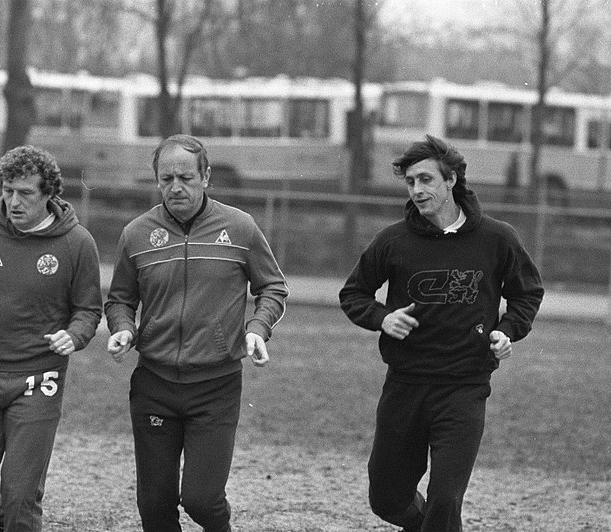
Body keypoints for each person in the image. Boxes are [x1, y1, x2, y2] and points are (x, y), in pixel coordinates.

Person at [339, 134, 544, 532]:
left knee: (445, 499)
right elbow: (354, 293)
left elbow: (527, 294)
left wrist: (507, 331)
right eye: (411, 181)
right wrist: (382, 317)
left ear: (451, 180)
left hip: (464, 386)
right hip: (405, 384)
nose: (417, 190)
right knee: (386, 498)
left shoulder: (497, 239)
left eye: (426, 180)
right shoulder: (394, 240)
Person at [104, 134, 288, 532]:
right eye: (166, 178)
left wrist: (257, 328)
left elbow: (272, 287)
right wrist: (122, 328)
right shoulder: (137, 234)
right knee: (154, 505)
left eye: (186, 177)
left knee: (202, 500)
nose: (176, 187)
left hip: (215, 387)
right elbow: (119, 298)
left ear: (206, 176)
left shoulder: (240, 228)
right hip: (154, 383)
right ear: (156, 181)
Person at [0, 145, 102, 532]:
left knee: (21, 494)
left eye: (25, 193)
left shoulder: (77, 243)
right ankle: (14, 524)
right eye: (8, 190)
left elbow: (88, 309)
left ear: (49, 194)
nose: (13, 201)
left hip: (39, 381)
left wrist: (74, 336)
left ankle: (18, 520)